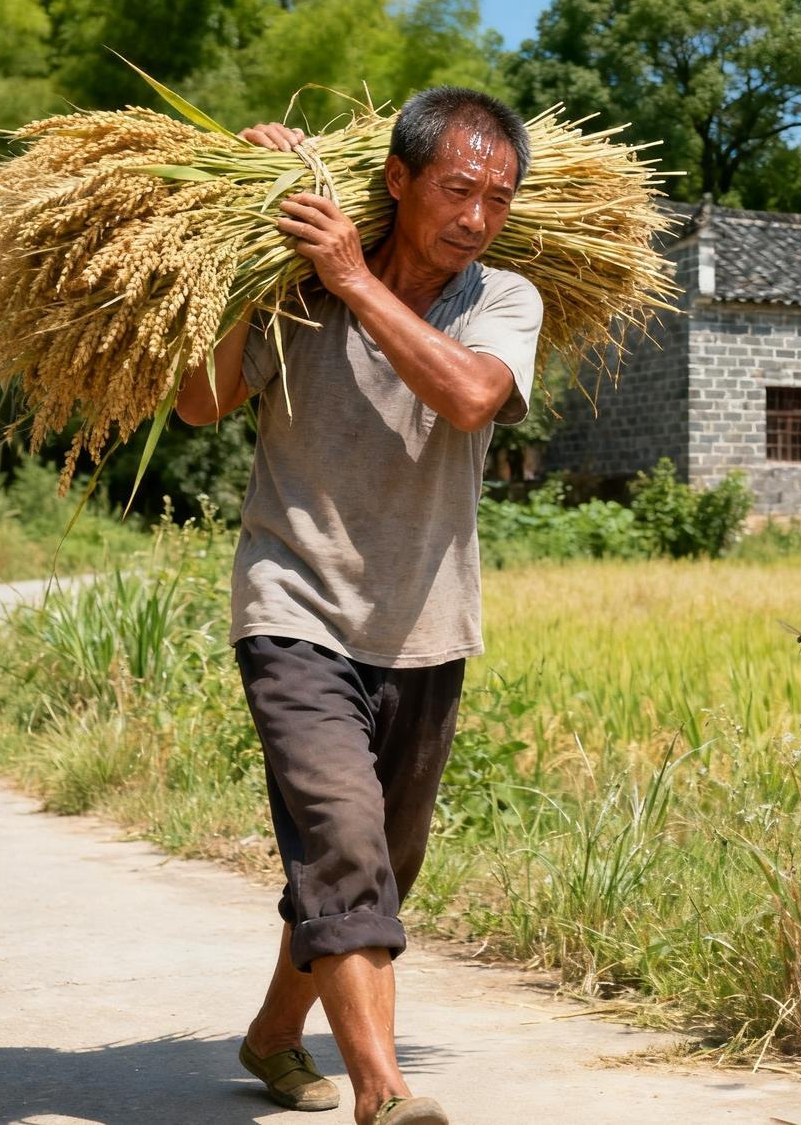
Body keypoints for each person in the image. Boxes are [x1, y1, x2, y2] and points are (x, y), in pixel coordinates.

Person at [175, 86, 543, 1125]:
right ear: (396, 178)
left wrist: (350, 278)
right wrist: (251, 241)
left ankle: (270, 1034)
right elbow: (199, 402)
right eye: (457, 188)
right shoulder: (296, 290)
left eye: (498, 198)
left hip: (424, 622)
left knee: (379, 866)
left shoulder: (504, 301)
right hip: (289, 600)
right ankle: (383, 1095)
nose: (477, 215)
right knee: (342, 840)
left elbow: (470, 397)